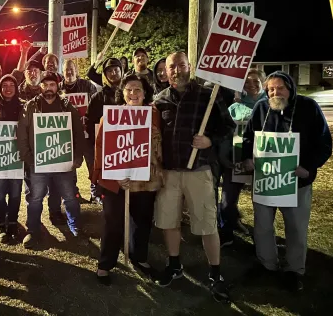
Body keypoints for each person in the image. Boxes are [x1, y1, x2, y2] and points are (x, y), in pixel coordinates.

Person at [153, 51, 235, 302]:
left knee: (207, 223)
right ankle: (175, 265)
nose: (176, 70)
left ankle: (215, 273)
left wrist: (210, 140)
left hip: (199, 171)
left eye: (180, 65)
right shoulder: (159, 100)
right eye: (171, 67)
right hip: (169, 172)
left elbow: (228, 127)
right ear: (165, 72)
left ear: (190, 67)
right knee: (169, 221)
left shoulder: (207, 95)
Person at [242, 71, 332, 292]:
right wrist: (246, 158)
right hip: (265, 181)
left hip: (296, 182)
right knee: (262, 227)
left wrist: (309, 168)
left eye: (279, 88)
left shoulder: (309, 107)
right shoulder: (261, 108)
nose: (275, 92)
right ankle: (267, 264)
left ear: (290, 88)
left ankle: (294, 270)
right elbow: (247, 137)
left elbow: (324, 143)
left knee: (296, 228)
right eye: (271, 89)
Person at [92, 75, 163, 285]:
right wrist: (112, 177)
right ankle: (105, 263)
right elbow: (100, 147)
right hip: (117, 180)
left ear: (145, 92)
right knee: (113, 222)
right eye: (129, 90)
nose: (133, 94)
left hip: (144, 179)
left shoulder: (154, 114)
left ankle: (139, 257)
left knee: (141, 221)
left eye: (138, 89)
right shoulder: (112, 116)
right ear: (122, 93)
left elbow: (160, 146)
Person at [17, 71, 86, 248]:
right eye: (45, 85)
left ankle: (75, 226)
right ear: (40, 86)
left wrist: (78, 157)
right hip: (38, 163)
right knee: (35, 198)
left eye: (52, 85)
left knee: (70, 197)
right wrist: (28, 158)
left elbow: (78, 132)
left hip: (63, 162)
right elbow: (22, 133)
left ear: (57, 86)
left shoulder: (66, 106)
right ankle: (32, 230)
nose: (49, 88)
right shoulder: (31, 106)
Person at [220, 69, 267, 246]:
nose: (251, 85)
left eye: (256, 81)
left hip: (262, 162)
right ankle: (226, 233)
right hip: (236, 161)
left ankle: (263, 238)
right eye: (247, 82)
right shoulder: (233, 108)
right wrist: (225, 158)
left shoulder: (270, 106)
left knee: (262, 205)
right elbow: (225, 134)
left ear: (263, 83)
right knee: (228, 200)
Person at [0, 74, 25, 243]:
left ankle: (12, 222)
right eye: (4, 85)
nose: (8, 88)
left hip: (17, 157)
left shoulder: (23, 106)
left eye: (11, 85)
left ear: (16, 88)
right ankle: (1, 224)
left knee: (16, 193)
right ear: (0, 89)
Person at [85, 58, 125, 204]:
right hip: (105, 146)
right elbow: (90, 122)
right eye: (109, 71)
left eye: (116, 69)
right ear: (105, 75)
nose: (113, 73)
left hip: (125, 145)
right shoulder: (98, 97)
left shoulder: (129, 95)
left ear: (122, 71)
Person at [58, 59, 98, 203]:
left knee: (92, 163)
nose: (69, 72)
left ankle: (96, 193)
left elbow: (95, 106)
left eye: (72, 69)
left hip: (86, 134)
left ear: (77, 71)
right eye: (66, 70)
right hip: (67, 136)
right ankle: (73, 194)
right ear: (63, 72)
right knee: (70, 166)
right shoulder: (58, 88)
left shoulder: (87, 86)